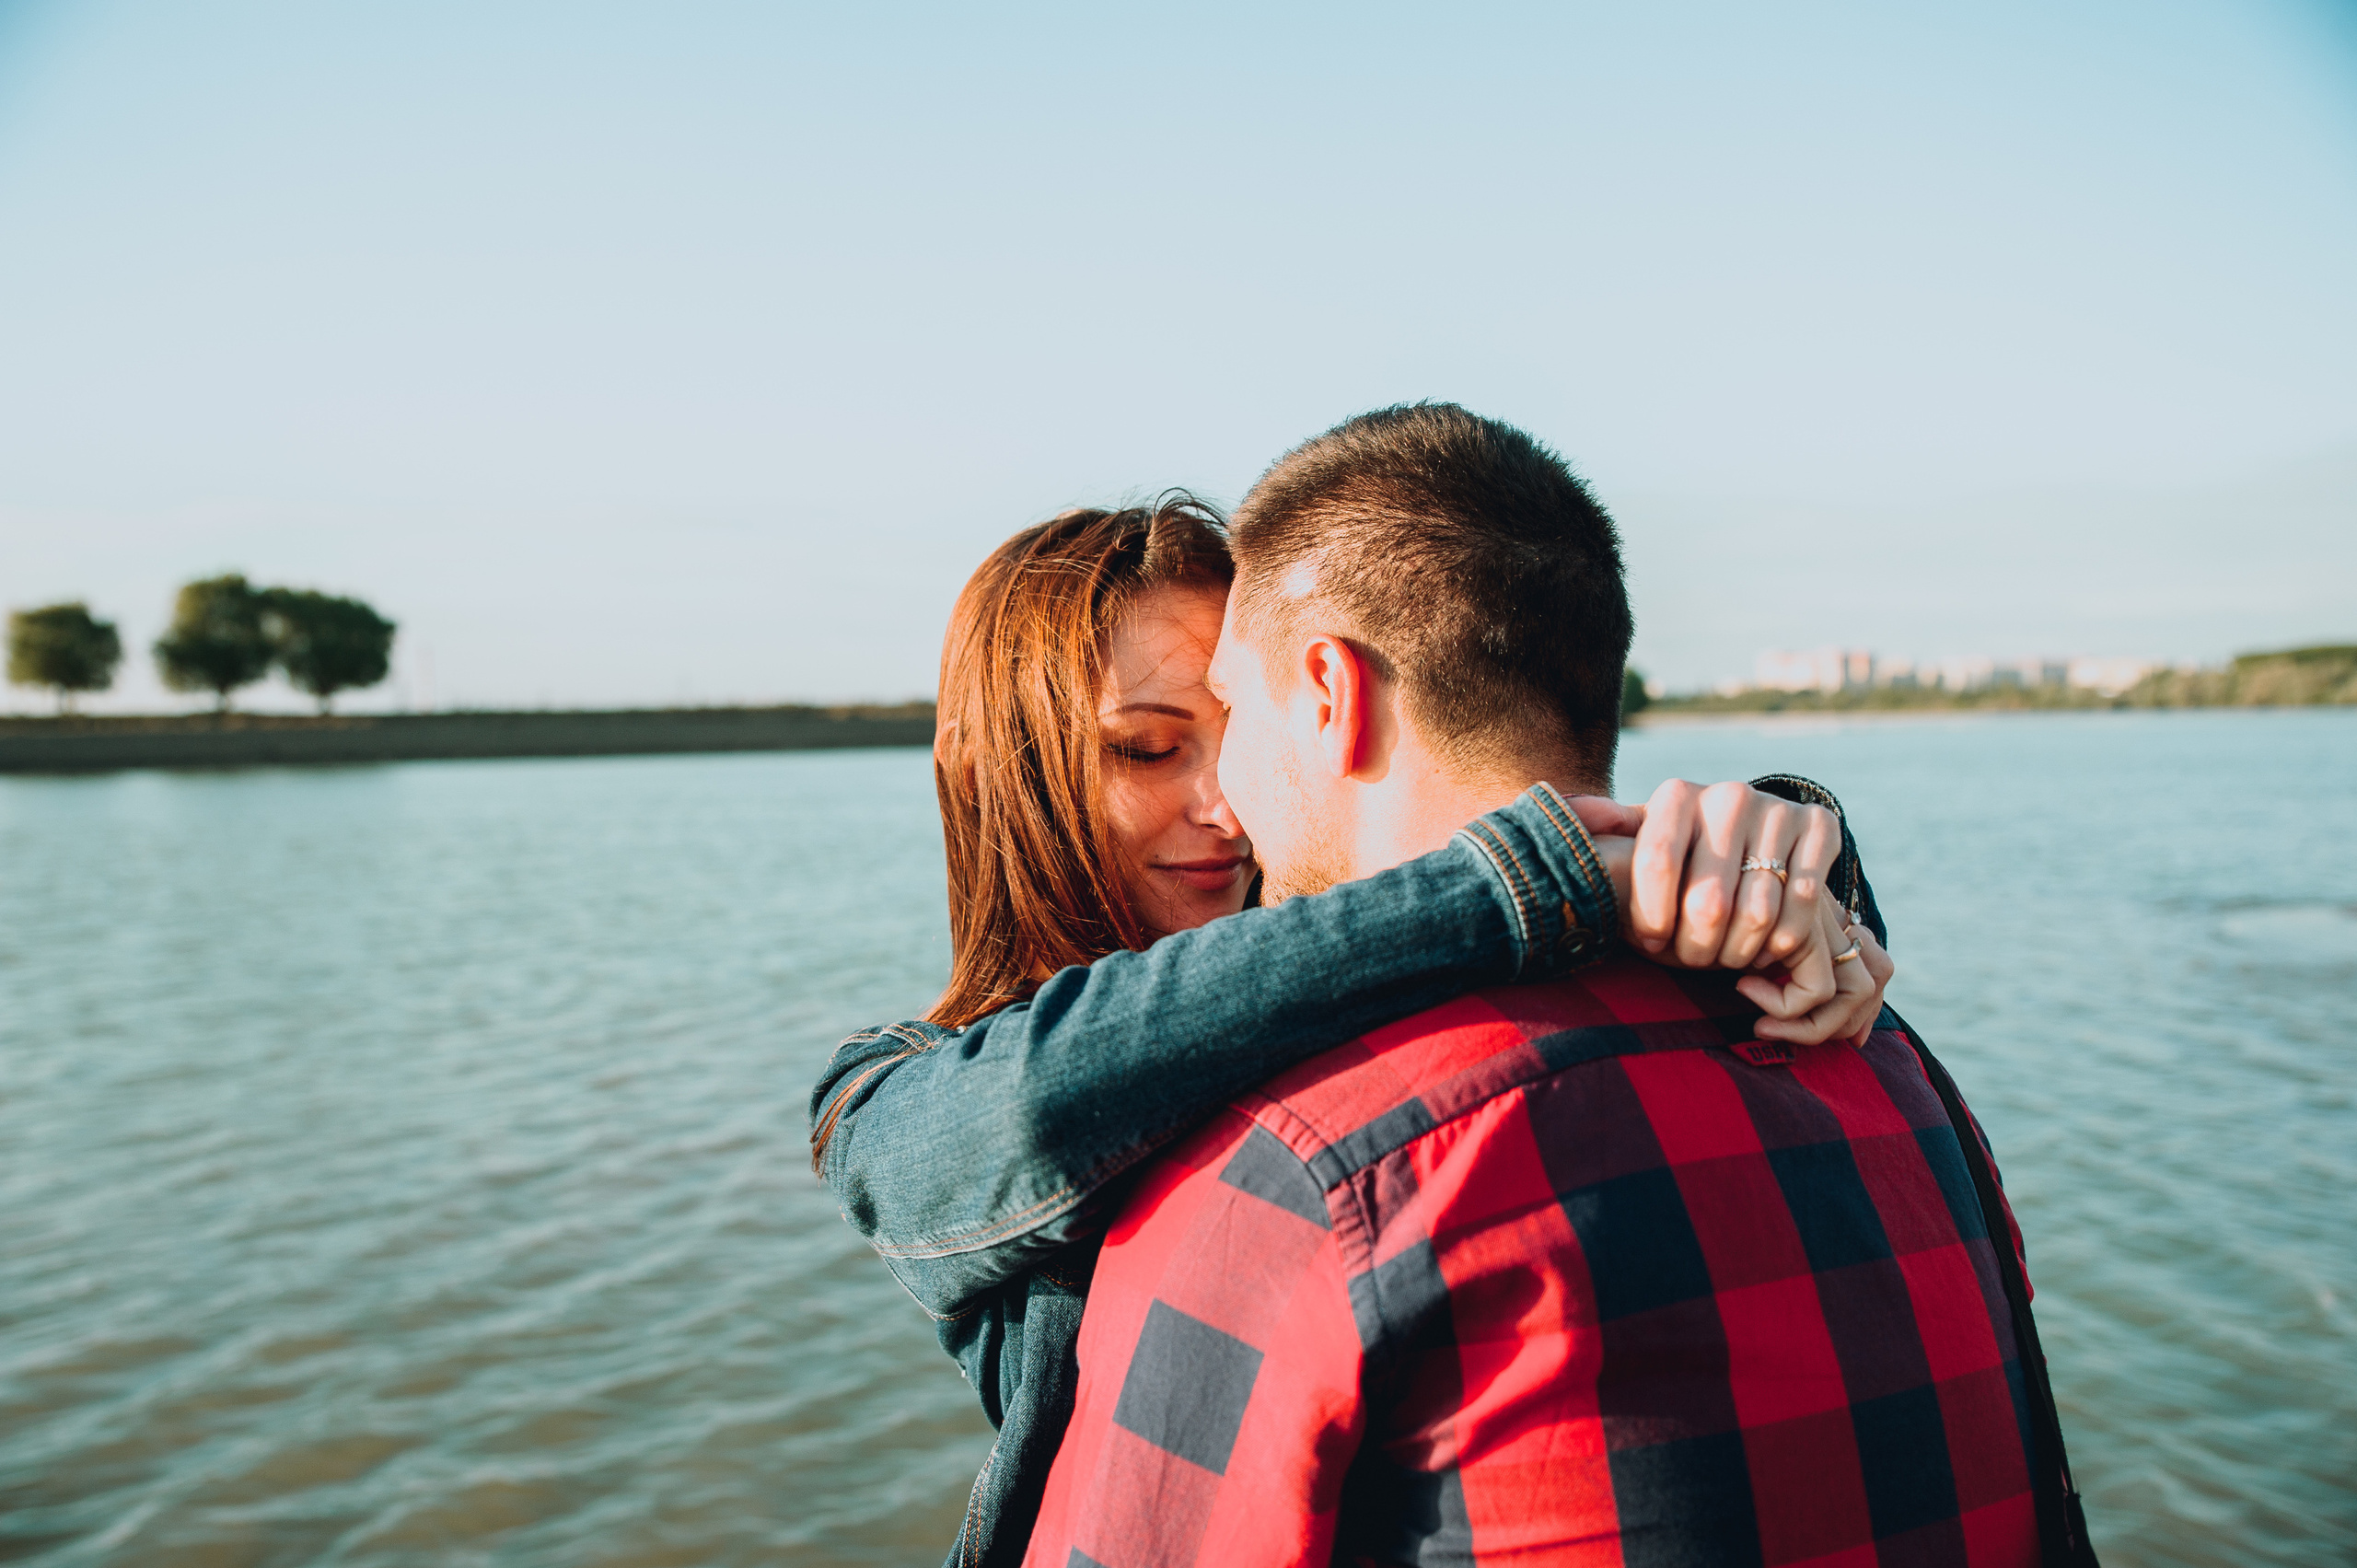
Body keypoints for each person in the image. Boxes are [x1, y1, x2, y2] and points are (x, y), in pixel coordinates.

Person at [1023, 404, 2092, 1568]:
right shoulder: (1894, 1069)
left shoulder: (1296, 1172)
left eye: (1233, 710)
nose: (1225, 790)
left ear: (1329, 694)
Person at [810, 495, 1897, 1568]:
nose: (1222, 806)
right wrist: (1535, 874)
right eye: (1145, 749)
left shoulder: (1349, 956)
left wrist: (1764, 853)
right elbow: (1026, 1108)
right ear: (986, 772)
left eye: (1234, 737)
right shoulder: (891, 1090)